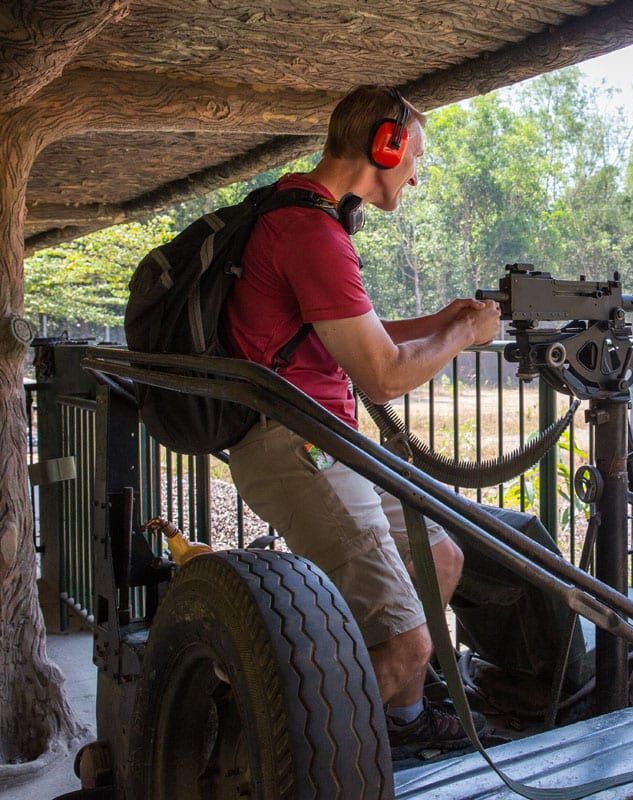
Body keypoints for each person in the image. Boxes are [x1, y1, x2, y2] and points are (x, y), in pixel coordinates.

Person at [223, 84, 501, 754]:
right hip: (293, 444)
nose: (415, 174)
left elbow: (352, 336)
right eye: (415, 158)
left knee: (437, 558)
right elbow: (382, 374)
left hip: (323, 439)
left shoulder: (306, 212)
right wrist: (462, 338)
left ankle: (400, 726)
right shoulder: (309, 232)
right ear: (387, 143)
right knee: (409, 643)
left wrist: (441, 322)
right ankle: (251, 760)